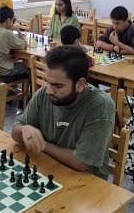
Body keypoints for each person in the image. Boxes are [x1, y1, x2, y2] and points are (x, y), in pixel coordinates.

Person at [12, 46, 114, 179]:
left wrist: (43, 145)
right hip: (48, 168)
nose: (49, 90)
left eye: (58, 86)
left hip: (86, 180)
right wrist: (24, 129)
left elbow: (82, 163)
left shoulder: (100, 105)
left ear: (80, 85)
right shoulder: (44, 94)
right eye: (48, 82)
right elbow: (15, 133)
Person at [0, 7, 29, 82]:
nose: (12, 23)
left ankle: (12, 88)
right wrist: (18, 30)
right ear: (8, 20)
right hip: (4, 70)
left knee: (18, 62)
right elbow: (24, 44)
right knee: (29, 68)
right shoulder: (6, 33)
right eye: (12, 20)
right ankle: (29, 90)